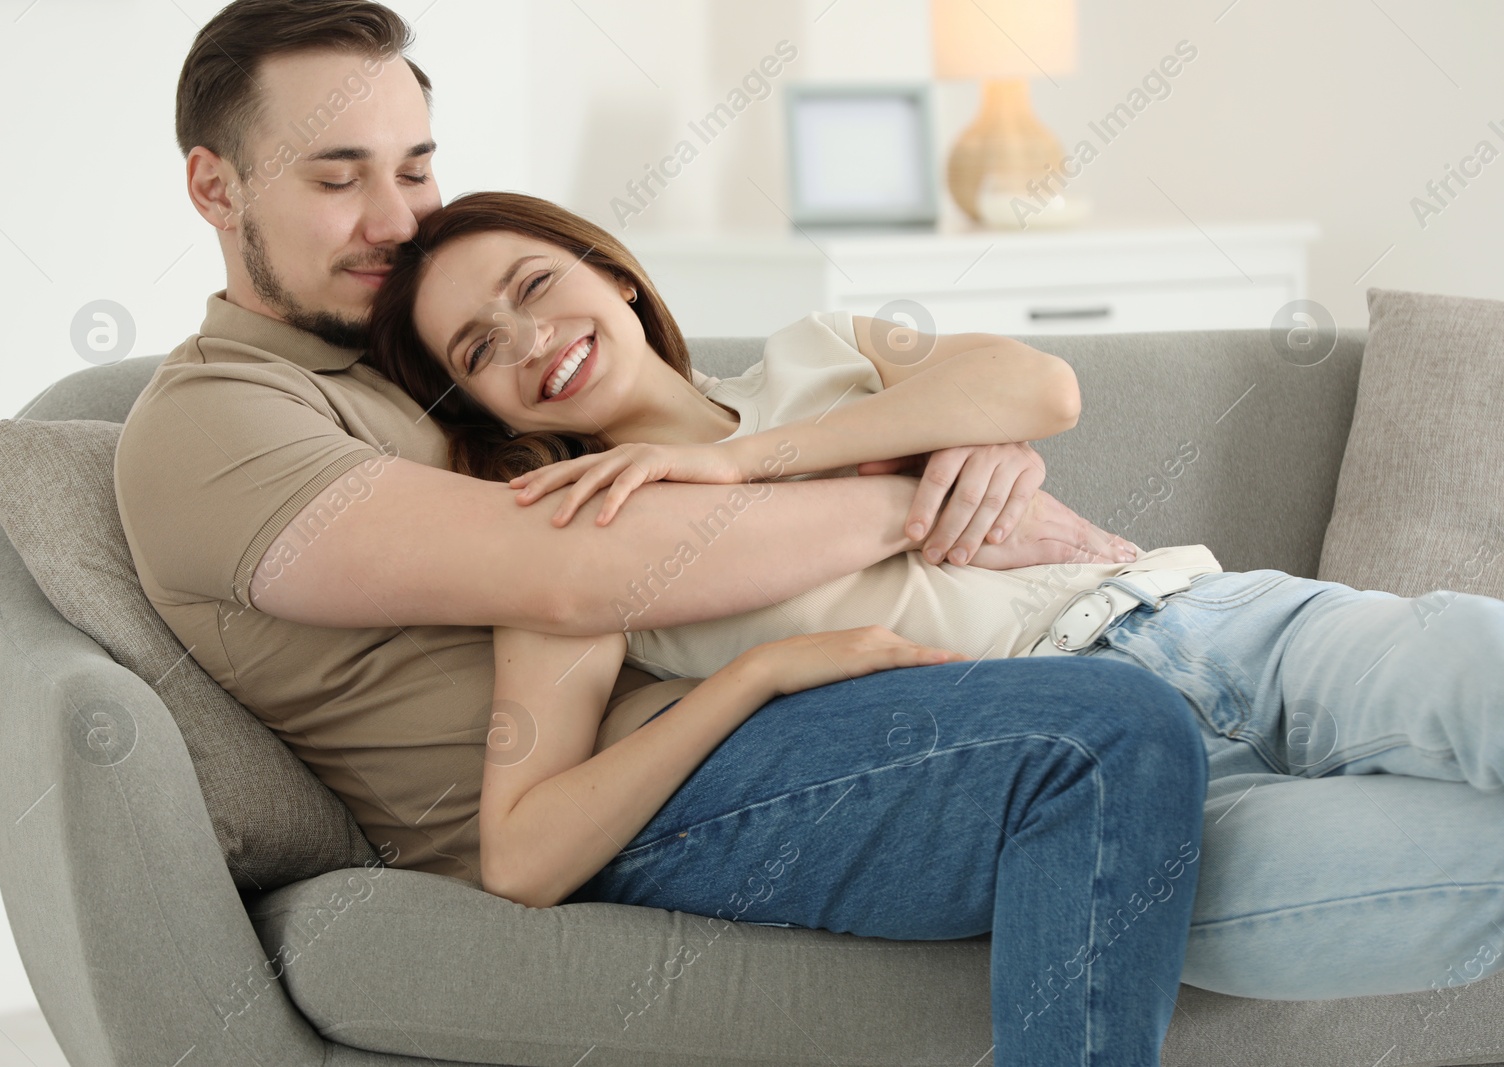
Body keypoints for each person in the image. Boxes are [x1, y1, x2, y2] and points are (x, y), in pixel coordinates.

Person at [114, 2, 1208, 1064]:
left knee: (1193, 703)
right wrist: (914, 501)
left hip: (763, 707)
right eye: (335, 176)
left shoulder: (426, 361)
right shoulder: (214, 421)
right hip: (635, 798)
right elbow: (575, 571)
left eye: (412, 168)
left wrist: (972, 442)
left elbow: (665, 416)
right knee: (1098, 733)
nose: (396, 220)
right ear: (216, 185)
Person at [365, 191, 1504, 997]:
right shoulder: (567, 543)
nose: (530, 337)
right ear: (490, 411)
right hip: (1109, 803)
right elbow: (520, 854)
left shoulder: (817, 350)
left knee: (1471, 659)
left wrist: (742, 459)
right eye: (479, 347)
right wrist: (753, 676)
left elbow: (1035, 383)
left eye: (534, 285)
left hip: (1209, 624)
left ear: (610, 270)